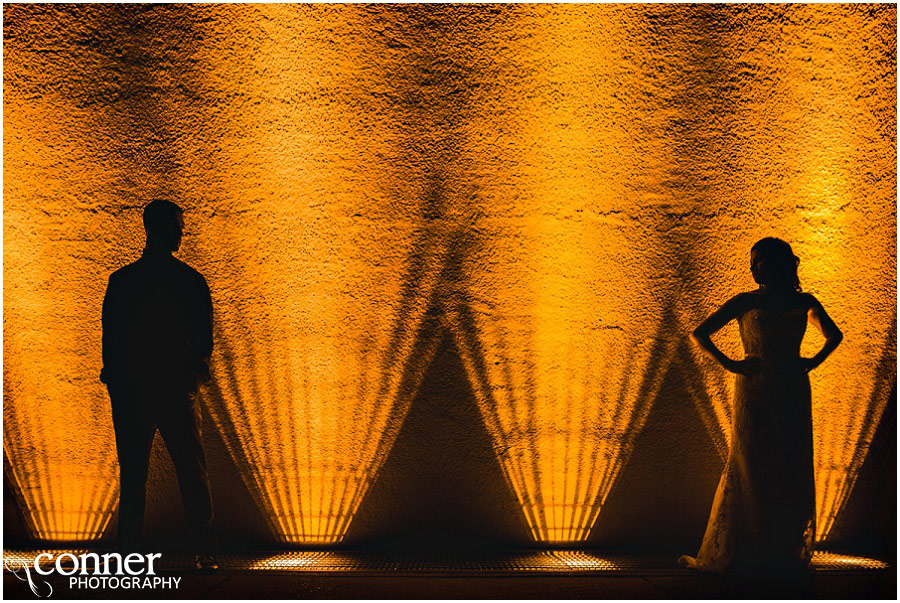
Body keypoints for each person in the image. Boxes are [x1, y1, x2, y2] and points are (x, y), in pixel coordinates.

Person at [679, 237, 842, 590]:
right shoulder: (744, 302)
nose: (753, 268)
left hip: (793, 393)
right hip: (755, 392)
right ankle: (750, 549)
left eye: (760, 261)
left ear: (778, 263)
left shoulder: (805, 302)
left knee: (789, 462)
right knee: (752, 463)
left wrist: (812, 362)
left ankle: (782, 551)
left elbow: (834, 335)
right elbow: (700, 332)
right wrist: (730, 364)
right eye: (752, 263)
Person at [101, 199, 218, 571]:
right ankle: (203, 551)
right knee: (192, 472)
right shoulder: (190, 281)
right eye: (179, 225)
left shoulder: (122, 281)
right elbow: (203, 340)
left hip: (132, 391)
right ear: (166, 228)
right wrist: (192, 379)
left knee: (133, 475)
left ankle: (126, 555)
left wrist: (117, 382)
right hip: (173, 390)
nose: (183, 231)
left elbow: (111, 338)